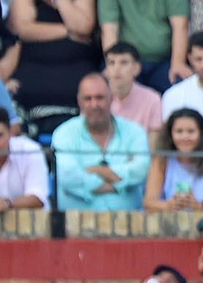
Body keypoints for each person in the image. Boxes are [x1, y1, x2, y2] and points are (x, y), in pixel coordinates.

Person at [8, 0, 101, 137]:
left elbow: (83, 26)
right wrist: (69, 32)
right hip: (34, 76)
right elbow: (24, 29)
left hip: (76, 74)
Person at [52, 72, 150, 210]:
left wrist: (96, 170)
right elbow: (67, 176)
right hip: (76, 225)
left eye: (100, 98)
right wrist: (117, 186)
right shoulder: (64, 133)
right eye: (88, 99)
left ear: (111, 98)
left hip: (129, 225)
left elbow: (141, 170)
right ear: (79, 101)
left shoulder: (135, 131)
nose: (94, 105)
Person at [98, 0, 188, 93]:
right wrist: (113, 64)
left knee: (180, 86)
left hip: (164, 61)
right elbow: (109, 29)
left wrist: (178, 62)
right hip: (126, 62)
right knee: (107, 86)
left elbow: (180, 26)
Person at [144, 106, 203, 211]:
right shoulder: (162, 160)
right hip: (168, 220)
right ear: (171, 134)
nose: (185, 137)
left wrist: (199, 206)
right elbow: (149, 201)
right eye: (179, 131)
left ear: (201, 134)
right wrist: (169, 206)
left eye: (191, 131)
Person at [103, 41, 163, 135]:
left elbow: (153, 146)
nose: (116, 68)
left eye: (123, 63)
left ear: (136, 68)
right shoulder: (95, 97)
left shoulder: (152, 100)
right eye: (111, 63)